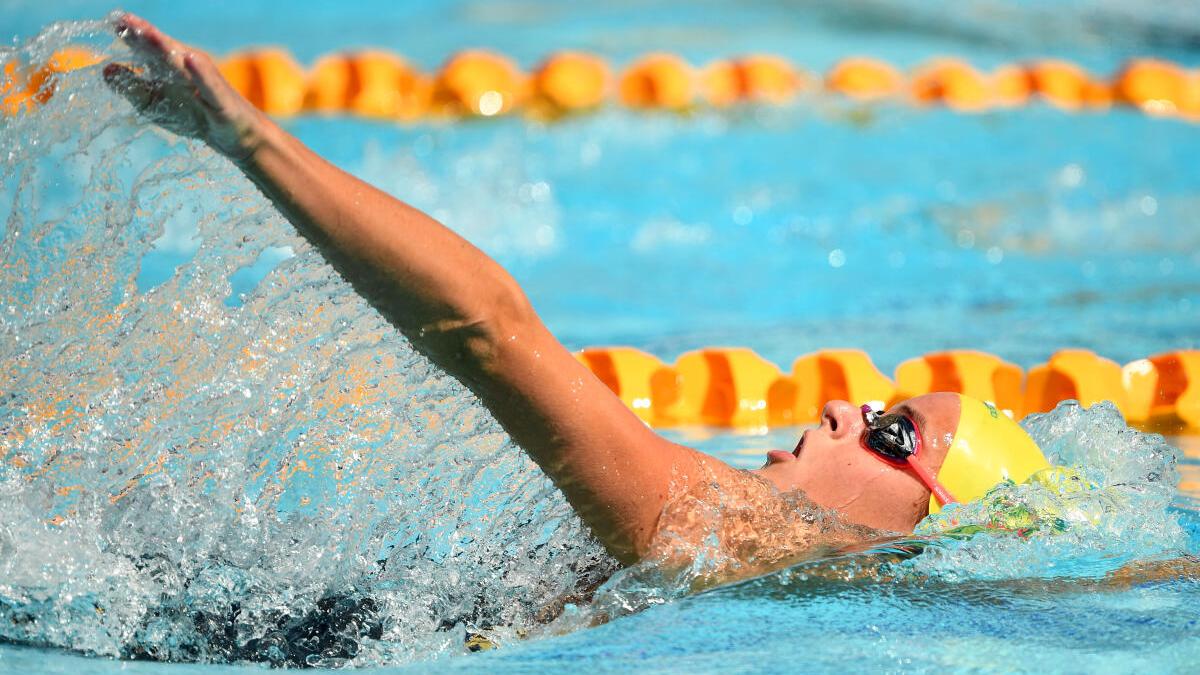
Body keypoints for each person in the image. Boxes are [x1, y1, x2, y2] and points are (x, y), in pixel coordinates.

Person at [102, 14, 1051, 571]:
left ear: (926, 523)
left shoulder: (716, 528)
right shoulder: (753, 569)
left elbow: (487, 330)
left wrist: (256, 145)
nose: (844, 405)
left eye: (892, 434)